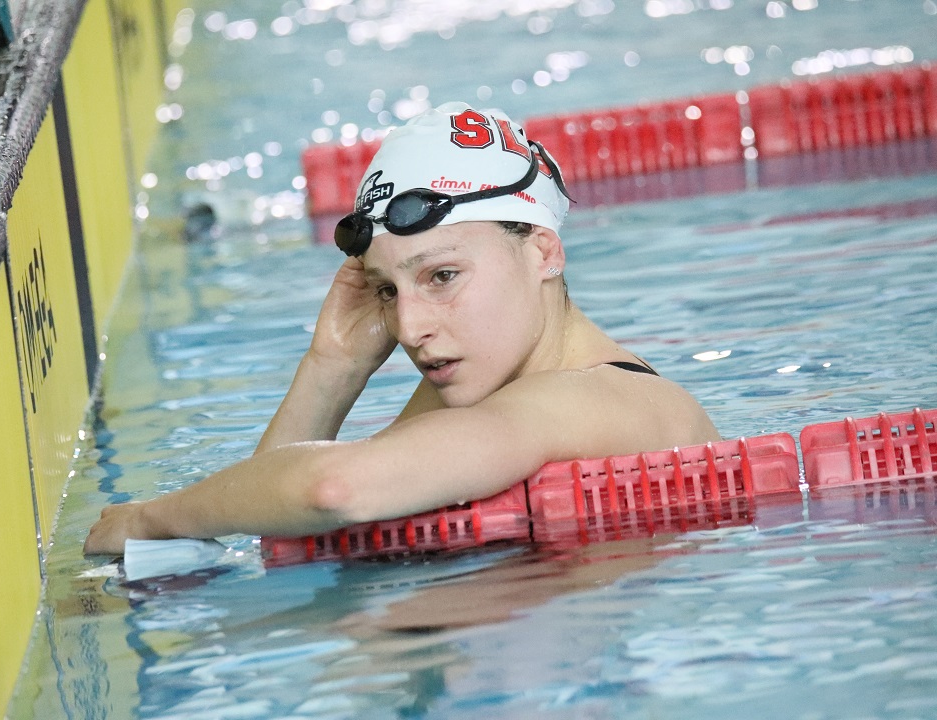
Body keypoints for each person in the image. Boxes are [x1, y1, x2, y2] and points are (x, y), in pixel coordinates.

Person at [84, 102, 719, 556]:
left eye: (442, 276)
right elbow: (282, 518)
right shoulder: (488, 383)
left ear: (543, 252)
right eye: (388, 291)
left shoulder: (590, 399)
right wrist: (334, 365)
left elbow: (335, 487)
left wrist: (150, 520)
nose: (410, 328)